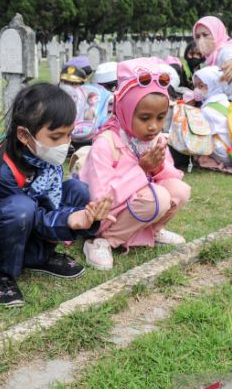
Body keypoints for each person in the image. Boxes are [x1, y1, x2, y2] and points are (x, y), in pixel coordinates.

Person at [0, 83, 113, 307]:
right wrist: (70, 219)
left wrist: (85, 216)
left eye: (69, 134)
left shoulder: (43, 160)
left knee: (77, 190)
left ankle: (38, 256)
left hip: (28, 220)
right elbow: (33, 216)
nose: (66, 144)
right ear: (24, 135)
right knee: (22, 208)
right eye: (56, 137)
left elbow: (49, 203)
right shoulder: (1, 169)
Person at [79, 58, 191, 271]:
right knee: (158, 198)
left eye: (160, 118)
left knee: (180, 190)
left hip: (136, 203)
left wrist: (157, 166)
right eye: (145, 117)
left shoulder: (153, 140)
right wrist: (141, 169)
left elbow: (169, 178)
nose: (153, 126)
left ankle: (151, 231)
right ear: (125, 110)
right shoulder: (107, 142)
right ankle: (103, 241)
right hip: (103, 214)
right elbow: (101, 199)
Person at [191, 66, 232, 174]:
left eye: (201, 86)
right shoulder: (224, 100)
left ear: (212, 84)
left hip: (225, 155)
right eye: (196, 86)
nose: (197, 90)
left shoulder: (207, 110)